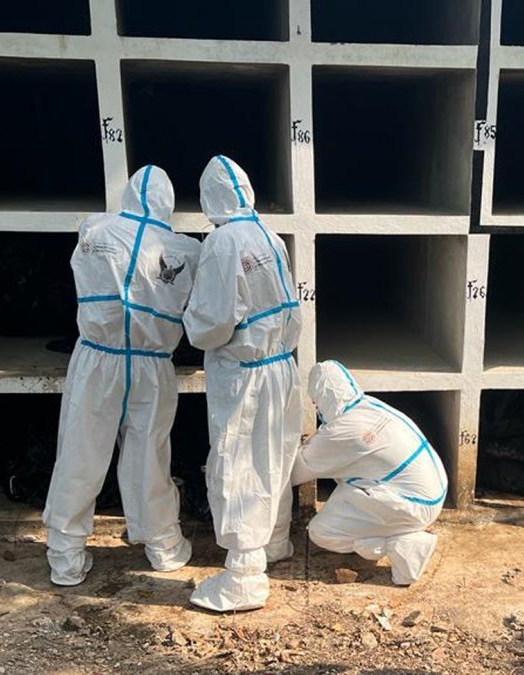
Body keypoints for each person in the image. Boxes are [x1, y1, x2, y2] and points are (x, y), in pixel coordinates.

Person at [43, 165, 199, 586]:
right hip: (152, 362)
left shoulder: (96, 229)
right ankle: (163, 547)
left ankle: (65, 556)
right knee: (150, 455)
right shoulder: (187, 249)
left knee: (80, 450)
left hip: (98, 357)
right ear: (169, 203)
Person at [183, 155, 303, 612]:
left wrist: (188, 322)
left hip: (245, 370)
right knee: (273, 454)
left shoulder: (222, 241)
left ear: (209, 198)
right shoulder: (268, 235)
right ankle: (273, 543)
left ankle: (244, 577)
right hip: (279, 363)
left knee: (237, 462)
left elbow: (213, 322)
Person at [292, 361, 447, 585]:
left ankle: (404, 543)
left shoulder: (343, 430)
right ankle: (399, 528)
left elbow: (294, 473)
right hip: (433, 491)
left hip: (412, 504)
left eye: (316, 402)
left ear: (324, 398)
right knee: (348, 491)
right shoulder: (367, 405)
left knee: (322, 532)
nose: (316, 408)